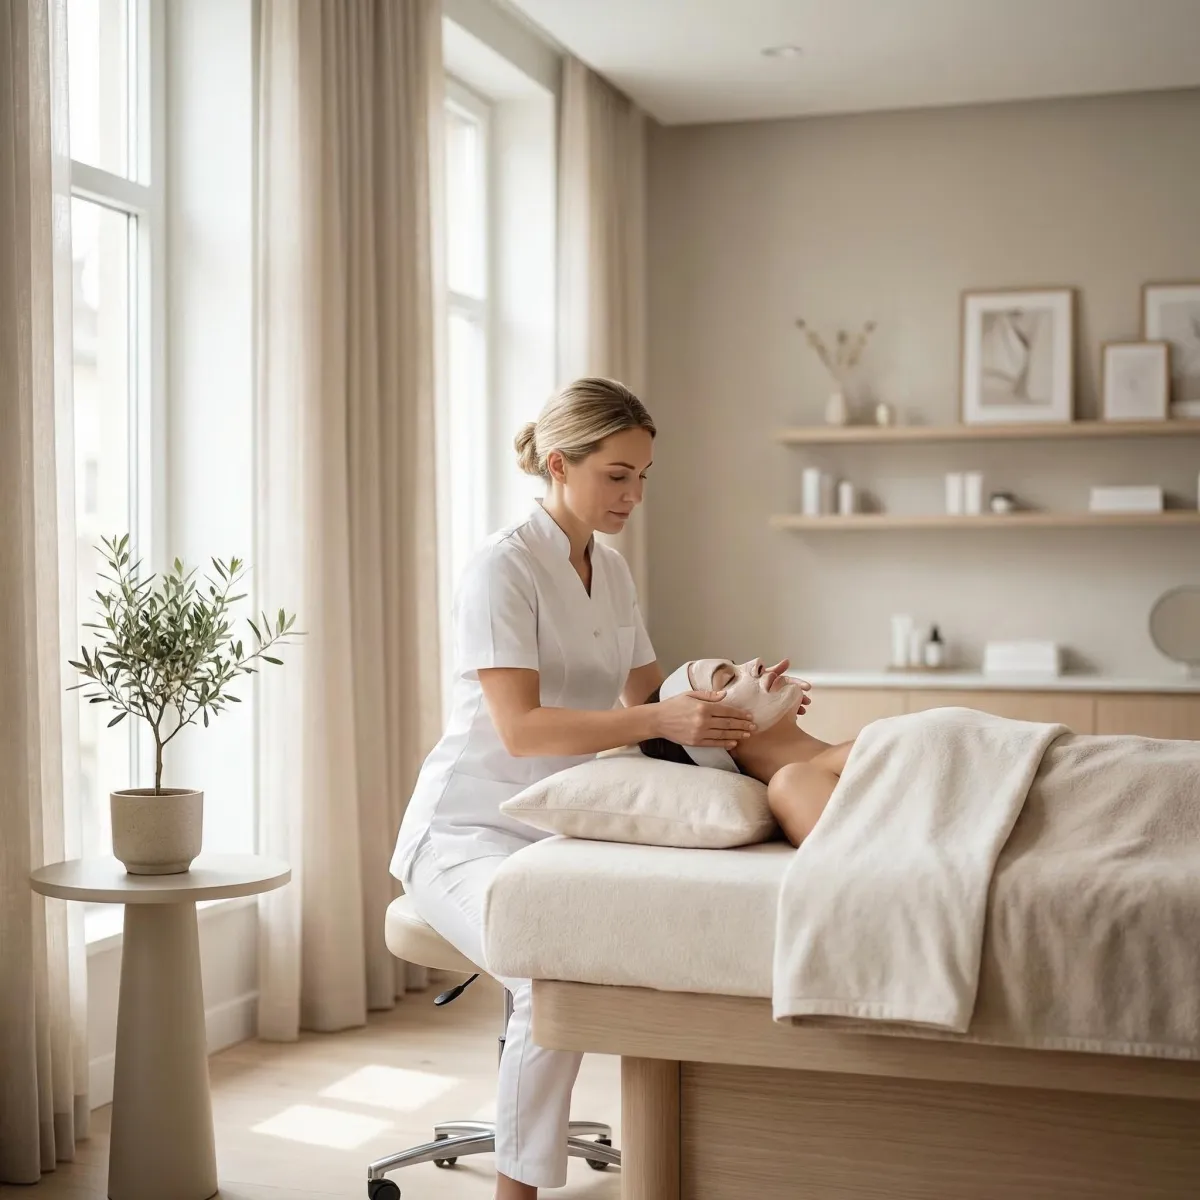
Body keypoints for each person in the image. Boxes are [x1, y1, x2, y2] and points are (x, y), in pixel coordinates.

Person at [389, 378, 766, 1199]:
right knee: (545, 971)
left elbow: (646, 697)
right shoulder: (504, 566)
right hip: (466, 829)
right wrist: (659, 718)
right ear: (560, 465)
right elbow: (522, 729)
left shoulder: (613, 568)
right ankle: (514, 1195)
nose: (633, 495)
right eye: (617, 476)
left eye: (643, 477)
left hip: (559, 828)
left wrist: (735, 706)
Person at [639, 657, 847, 848]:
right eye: (728, 679)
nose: (757, 663)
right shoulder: (793, 784)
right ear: (715, 735)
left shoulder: (842, 755)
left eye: (737, 666)